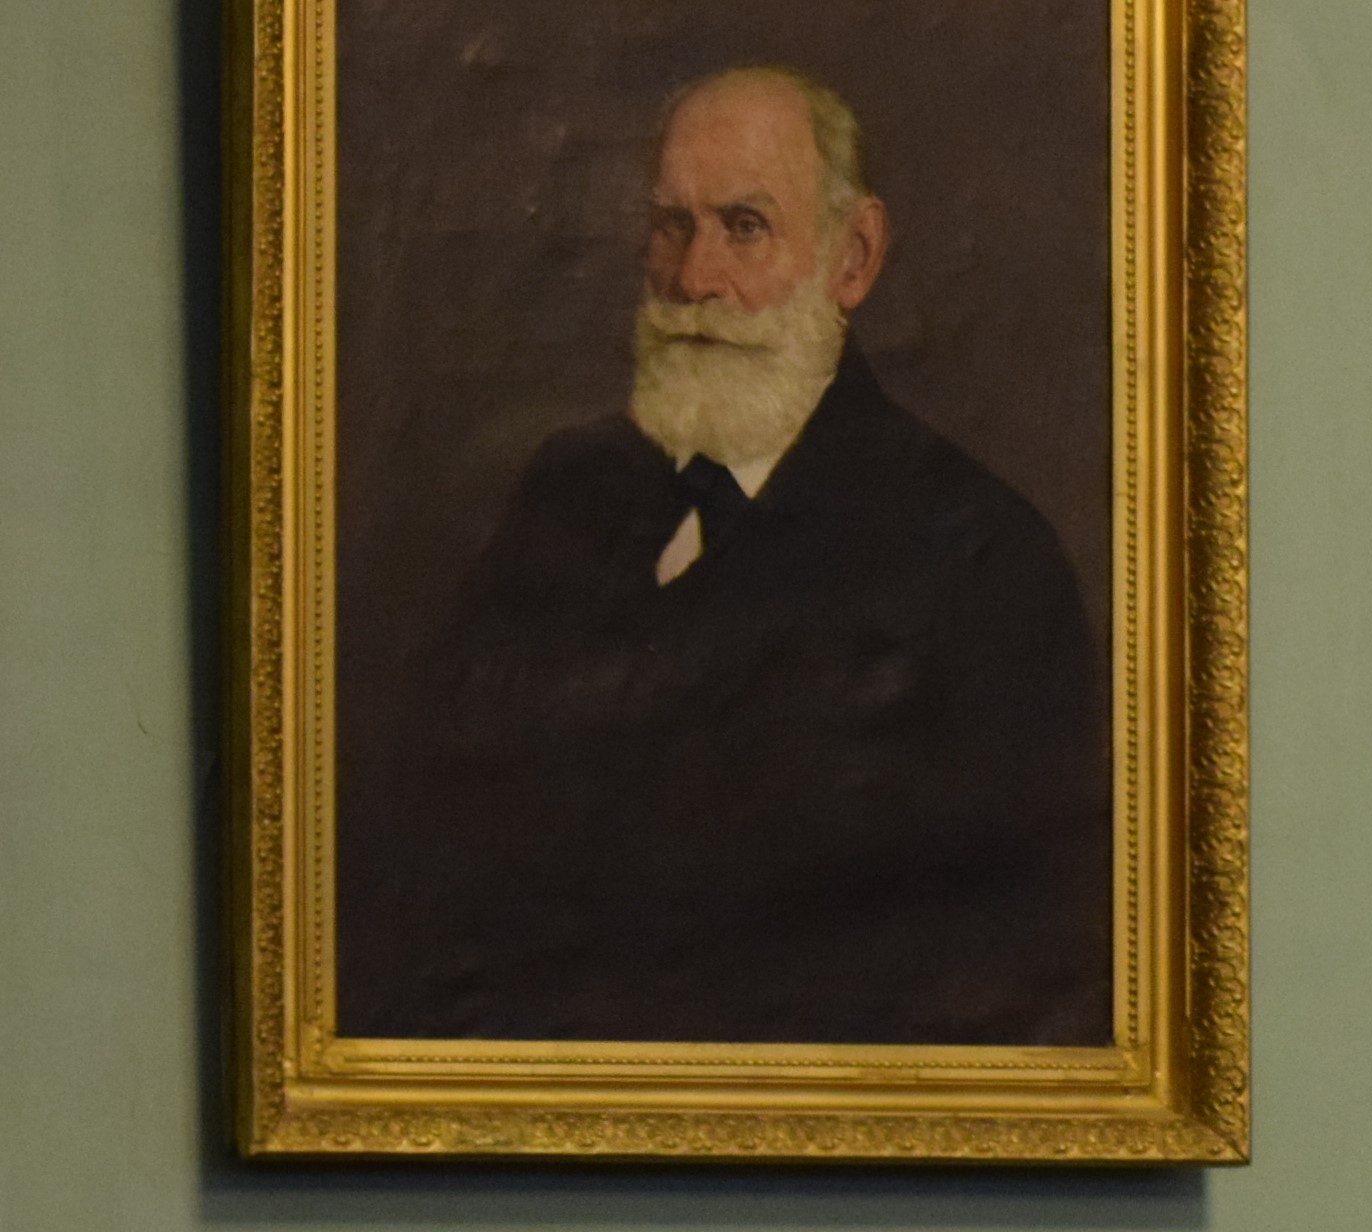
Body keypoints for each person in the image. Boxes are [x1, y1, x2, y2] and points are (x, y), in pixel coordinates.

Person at [340, 65, 1107, 1047]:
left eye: (746, 227)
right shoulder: (566, 494)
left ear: (853, 258)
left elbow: (999, 979)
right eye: (672, 226)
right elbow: (422, 843)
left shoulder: (984, 565)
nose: (695, 279)